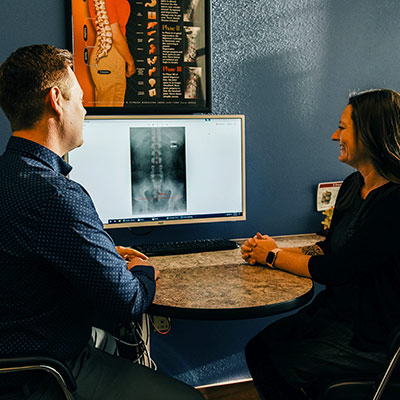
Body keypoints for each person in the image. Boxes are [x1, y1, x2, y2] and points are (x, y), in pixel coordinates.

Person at [0, 44, 204, 400]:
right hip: (45, 370)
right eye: (79, 97)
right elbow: (127, 301)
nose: (85, 108)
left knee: (111, 341)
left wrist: (103, 254)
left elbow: (30, 257)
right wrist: (145, 271)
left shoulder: (10, 175)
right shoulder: (55, 193)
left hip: (14, 354)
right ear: (56, 100)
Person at [241, 89, 400, 399]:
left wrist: (273, 256)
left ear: (370, 133)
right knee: (258, 348)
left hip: (375, 336)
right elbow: (330, 247)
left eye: (342, 128)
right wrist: (271, 251)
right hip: (338, 314)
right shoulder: (354, 185)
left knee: (275, 365)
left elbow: (338, 269)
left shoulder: (394, 201)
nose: (333, 136)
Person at [88, 0, 135, 106]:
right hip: (108, 53)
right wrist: (130, 62)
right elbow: (115, 34)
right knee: (109, 107)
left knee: (114, 104)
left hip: (113, 53)